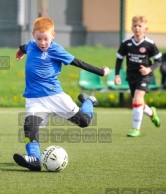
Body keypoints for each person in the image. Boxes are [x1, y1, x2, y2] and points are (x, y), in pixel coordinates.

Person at [13, 17, 110, 171]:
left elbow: (79, 63)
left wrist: (102, 71)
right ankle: (34, 159)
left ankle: (88, 102)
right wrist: (20, 50)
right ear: (33, 35)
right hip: (34, 98)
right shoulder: (32, 45)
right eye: (39, 38)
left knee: (84, 122)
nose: (42, 43)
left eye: (46, 39)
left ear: (53, 35)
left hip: (55, 96)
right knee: (30, 124)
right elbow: (26, 47)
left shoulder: (56, 50)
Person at [114, 15, 161, 137]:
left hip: (144, 75)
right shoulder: (126, 43)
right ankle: (151, 112)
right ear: (131, 27)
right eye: (135, 26)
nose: (137, 28)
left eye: (140, 26)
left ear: (146, 28)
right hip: (131, 75)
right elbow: (119, 59)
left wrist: (149, 69)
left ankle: (136, 129)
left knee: (137, 98)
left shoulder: (150, 44)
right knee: (137, 101)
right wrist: (117, 74)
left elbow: (158, 60)